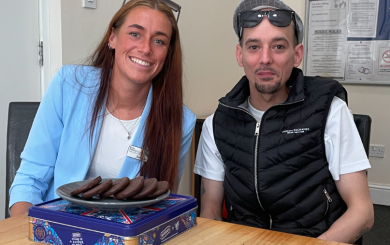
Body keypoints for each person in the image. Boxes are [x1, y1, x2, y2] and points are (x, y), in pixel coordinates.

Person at [194, 0, 374, 243]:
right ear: (240, 55)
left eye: (278, 46)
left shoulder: (330, 110)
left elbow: (363, 213)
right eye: (254, 46)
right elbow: (211, 213)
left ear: (296, 54)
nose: (265, 58)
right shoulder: (217, 124)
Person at [10, 0, 195, 217]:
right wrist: (29, 233)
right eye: (135, 34)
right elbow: (29, 182)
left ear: (168, 53)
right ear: (112, 37)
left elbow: (160, 203)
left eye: (159, 41)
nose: (145, 48)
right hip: (56, 229)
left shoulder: (180, 120)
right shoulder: (67, 85)